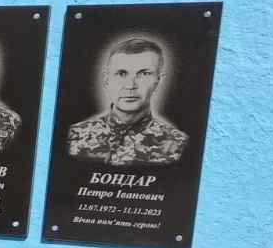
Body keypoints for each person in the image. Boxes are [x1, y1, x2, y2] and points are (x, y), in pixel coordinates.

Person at [67, 36, 187, 165]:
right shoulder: (73, 137)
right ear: (106, 80)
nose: (130, 85)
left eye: (144, 74)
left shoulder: (179, 145)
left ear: (158, 80)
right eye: (121, 74)